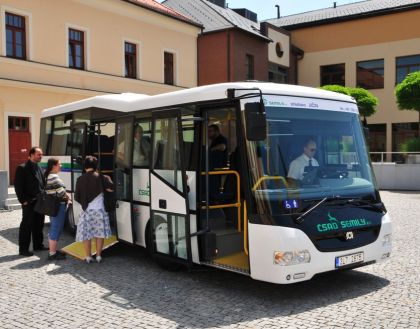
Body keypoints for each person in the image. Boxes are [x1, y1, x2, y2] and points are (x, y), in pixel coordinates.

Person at [75, 156, 113, 263]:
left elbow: (77, 197)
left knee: (86, 235)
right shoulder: (103, 177)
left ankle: (88, 256)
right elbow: (111, 189)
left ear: (85, 166)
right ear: (96, 166)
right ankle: (99, 256)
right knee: (99, 234)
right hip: (100, 211)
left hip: (86, 211)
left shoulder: (80, 179)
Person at [14, 147, 46, 257]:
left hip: (40, 201)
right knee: (26, 225)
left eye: (41, 154)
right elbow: (18, 186)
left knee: (39, 224)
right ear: (31, 154)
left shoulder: (40, 168)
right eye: (38, 154)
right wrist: (23, 200)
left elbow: (42, 184)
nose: (40, 156)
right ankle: (23, 249)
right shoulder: (22, 168)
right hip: (29, 202)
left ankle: (38, 245)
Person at [44, 158, 71, 260]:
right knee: (56, 228)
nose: (61, 166)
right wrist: (69, 198)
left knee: (55, 227)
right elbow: (61, 193)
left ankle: (53, 250)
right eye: (59, 164)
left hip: (53, 206)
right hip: (58, 206)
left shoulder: (47, 176)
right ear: (54, 166)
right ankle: (52, 253)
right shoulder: (54, 177)